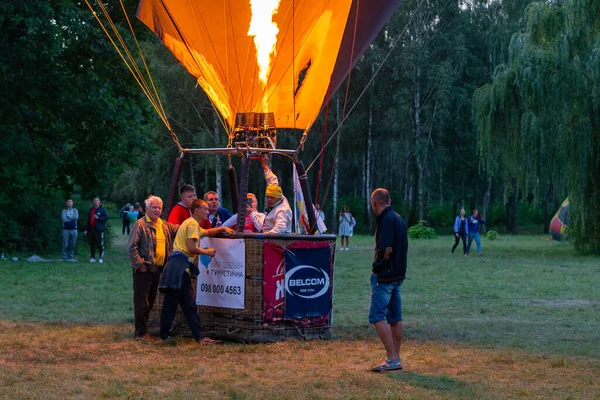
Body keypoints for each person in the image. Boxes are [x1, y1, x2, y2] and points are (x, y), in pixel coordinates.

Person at [159, 199, 233, 343]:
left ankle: (198, 336)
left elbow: (207, 232)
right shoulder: (192, 224)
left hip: (179, 266)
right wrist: (207, 252)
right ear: (197, 211)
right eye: (205, 209)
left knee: (187, 304)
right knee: (173, 303)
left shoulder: (191, 224)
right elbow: (191, 248)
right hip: (179, 267)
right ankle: (167, 335)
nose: (208, 211)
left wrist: (223, 229)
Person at [128, 195, 179, 342]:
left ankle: (143, 331)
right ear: (146, 209)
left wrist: (194, 224)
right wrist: (140, 265)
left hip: (158, 270)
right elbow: (132, 247)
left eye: (159, 207)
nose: (157, 210)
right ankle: (140, 334)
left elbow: (180, 229)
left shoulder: (164, 225)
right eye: (154, 207)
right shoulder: (140, 224)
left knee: (150, 300)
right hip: (144, 270)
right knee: (141, 302)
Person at [369, 188, 408, 372]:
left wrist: (376, 268)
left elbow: (385, 249)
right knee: (395, 317)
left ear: (375, 202)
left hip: (384, 276)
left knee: (377, 315)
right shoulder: (398, 218)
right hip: (398, 275)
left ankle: (392, 358)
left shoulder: (385, 220)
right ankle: (396, 357)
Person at [248, 154, 292, 234]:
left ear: (278, 198)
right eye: (267, 197)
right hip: (266, 231)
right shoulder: (277, 192)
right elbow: (272, 180)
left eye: (272, 198)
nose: (269, 200)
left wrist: (263, 236)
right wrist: (265, 166)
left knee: (254, 215)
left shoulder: (282, 211)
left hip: (274, 242)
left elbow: (279, 230)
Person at [84, 197, 108, 264]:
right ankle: (93, 257)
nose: (96, 202)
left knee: (100, 244)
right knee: (92, 244)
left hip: (99, 229)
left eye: (97, 200)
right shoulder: (91, 209)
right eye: (94, 201)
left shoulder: (102, 209)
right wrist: (86, 229)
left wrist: (99, 218)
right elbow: (88, 220)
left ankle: (101, 258)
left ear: (99, 202)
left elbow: (106, 217)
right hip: (91, 229)